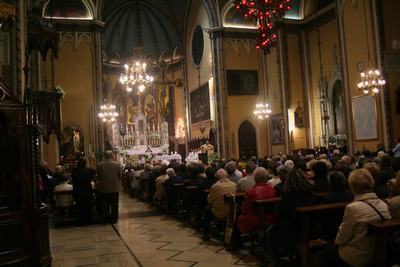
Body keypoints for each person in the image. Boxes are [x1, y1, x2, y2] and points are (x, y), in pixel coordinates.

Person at [324, 169, 391, 267]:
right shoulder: (383, 204)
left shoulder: (353, 208)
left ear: (352, 187)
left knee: (329, 250)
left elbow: (342, 238)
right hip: (379, 253)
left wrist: (336, 242)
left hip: (358, 256)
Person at [237, 167, 277, 234]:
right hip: (270, 218)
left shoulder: (251, 191)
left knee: (240, 218)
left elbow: (245, 209)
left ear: (255, 178)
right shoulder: (272, 190)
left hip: (256, 219)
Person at [203, 169, 237, 240]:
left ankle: (206, 233)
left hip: (219, 211)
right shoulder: (234, 185)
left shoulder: (216, 186)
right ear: (227, 176)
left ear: (217, 177)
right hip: (232, 211)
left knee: (206, 210)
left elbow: (209, 200)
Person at [96, 150, 121, 224]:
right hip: (114, 187)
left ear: (105, 156)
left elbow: (99, 176)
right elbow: (119, 175)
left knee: (104, 205)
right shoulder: (117, 164)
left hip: (104, 187)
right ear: (112, 156)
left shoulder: (99, 165)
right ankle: (114, 219)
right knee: (114, 205)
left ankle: (104, 219)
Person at [72, 158, 96, 225]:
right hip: (87, 190)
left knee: (79, 207)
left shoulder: (74, 171)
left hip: (78, 190)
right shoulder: (89, 170)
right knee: (88, 206)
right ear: (85, 163)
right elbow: (93, 174)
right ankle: (88, 221)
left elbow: (73, 180)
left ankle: (80, 221)